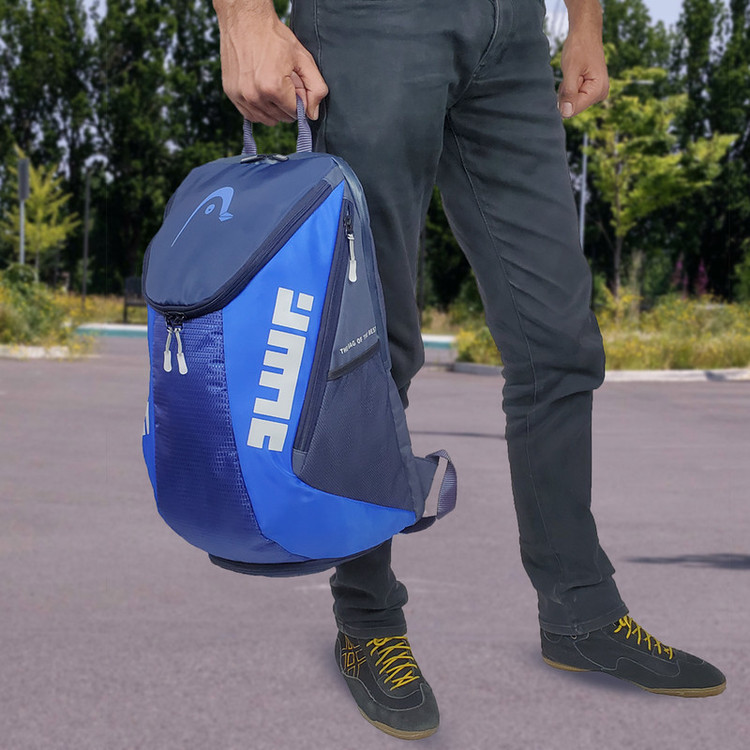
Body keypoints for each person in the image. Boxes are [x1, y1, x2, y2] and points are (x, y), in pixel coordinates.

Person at [212, 0, 726, 739]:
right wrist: (242, 17)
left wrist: (585, 25)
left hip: (511, 32)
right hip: (372, 22)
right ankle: (366, 620)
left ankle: (581, 614)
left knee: (560, 343)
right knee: (368, 340)